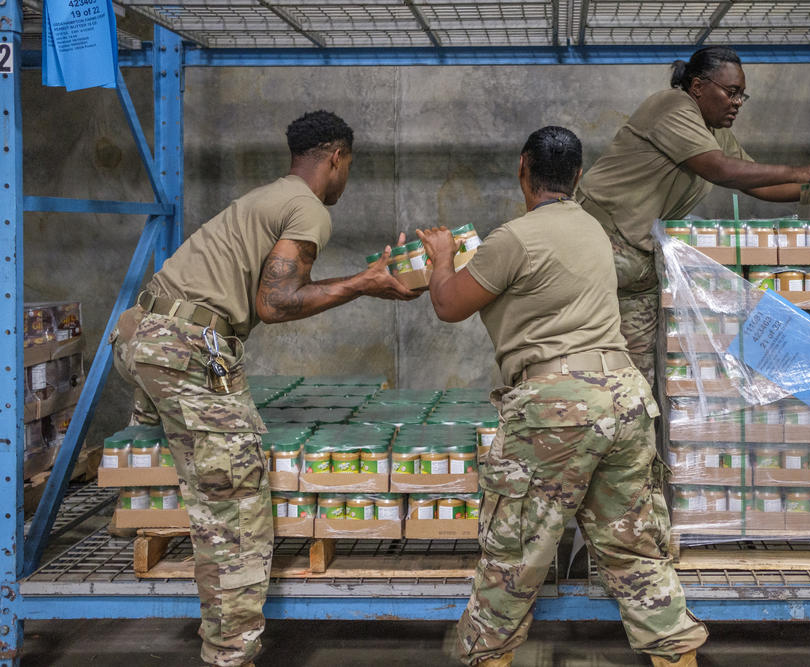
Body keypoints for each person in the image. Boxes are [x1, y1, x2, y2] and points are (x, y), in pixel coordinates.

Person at [110, 110, 417, 667]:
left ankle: (145, 521)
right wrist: (364, 283)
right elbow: (274, 303)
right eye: (348, 165)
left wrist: (360, 283)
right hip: (184, 348)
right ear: (336, 158)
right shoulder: (307, 208)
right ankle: (231, 654)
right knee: (236, 506)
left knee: (184, 462)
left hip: (140, 334)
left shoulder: (271, 195)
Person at [417, 126, 708, 667]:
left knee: (515, 550)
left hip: (558, 405)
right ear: (578, 175)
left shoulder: (514, 238)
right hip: (624, 397)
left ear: (522, 168)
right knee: (635, 546)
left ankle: (489, 657)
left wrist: (441, 255)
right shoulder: (595, 231)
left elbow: (449, 304)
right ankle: (677, 657)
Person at [575, 46, 810, 386]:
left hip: (639, 260)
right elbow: (721, 170)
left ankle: (631, 434)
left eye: (742, 95)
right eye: (730, 92)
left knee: (635, 375)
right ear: (698, 86)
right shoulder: (672, 106)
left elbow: (758, 185)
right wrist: (800, 171)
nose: (737, 103)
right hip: (600, 243)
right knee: (588, 357)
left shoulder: (714, 132)